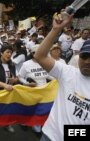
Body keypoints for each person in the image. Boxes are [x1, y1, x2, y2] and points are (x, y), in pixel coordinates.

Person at [34, 12, 90, 141]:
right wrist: (56, 29)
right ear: (78, 56)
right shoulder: (67, 72)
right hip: (48, 137)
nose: (87, 61)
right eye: (84, 56)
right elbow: (40, 56)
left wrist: (69, 134)